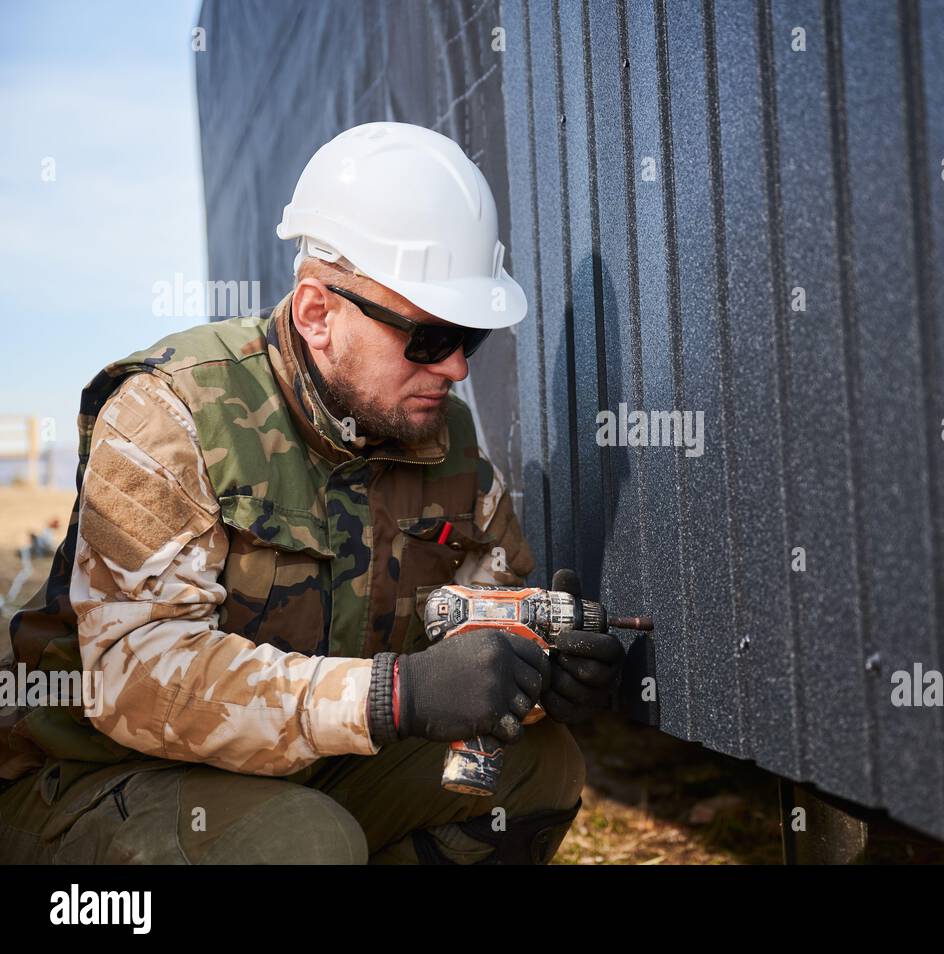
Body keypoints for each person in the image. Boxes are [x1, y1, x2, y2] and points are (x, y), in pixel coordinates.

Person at [0, 122, 625, 864]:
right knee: (300, 842)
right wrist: (394, 697)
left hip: (309, 762)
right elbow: (137, 680)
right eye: (428, 338)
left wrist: (542, 671)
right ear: (317, 313)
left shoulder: (441, 436)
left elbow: (476, 627)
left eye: (471, 338)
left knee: (536, 769)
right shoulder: (171, 414)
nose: (457, 368)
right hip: (105, 778)